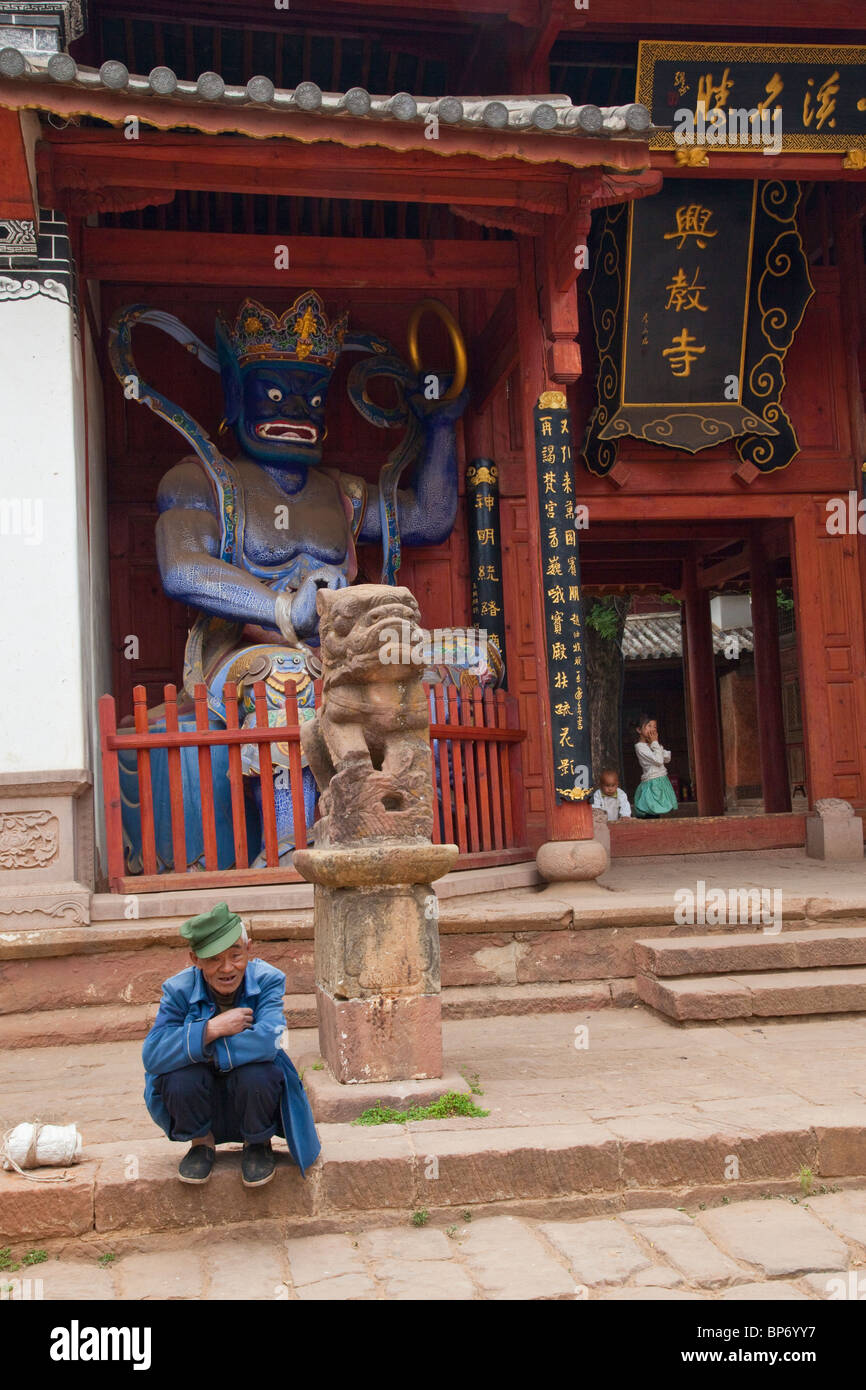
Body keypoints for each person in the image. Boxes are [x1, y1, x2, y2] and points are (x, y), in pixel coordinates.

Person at [142, 902, 320, 1187]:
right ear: (195, 959)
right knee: (178, 1077)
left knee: (260, 1071)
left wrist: (204, 1049)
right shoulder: (177, 990)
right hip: (205, 1097)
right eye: (214, 959)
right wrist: (212, 1029)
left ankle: (258, 1142)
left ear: (249, 950)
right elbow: (152, 1055)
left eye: (236, 955)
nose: (227, 968)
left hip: (250, 1094)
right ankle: (201, 1143)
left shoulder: (268, 980)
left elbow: (269, 1041)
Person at [633, 715, 678, 818]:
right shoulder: (640, 747)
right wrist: (655, 743)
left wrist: (655, 744)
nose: (652, 729)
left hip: (661, 780)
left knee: (659, 810)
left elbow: (667, 757)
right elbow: (659, 760)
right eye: (649, 726)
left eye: (655, 727)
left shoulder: (653, 744)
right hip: (652, 782)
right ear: (639, 730)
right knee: (651, 810)